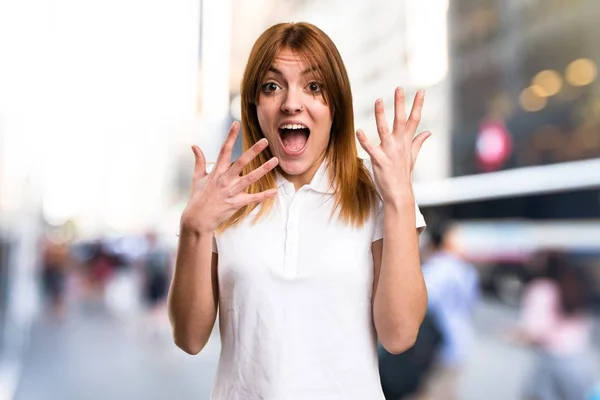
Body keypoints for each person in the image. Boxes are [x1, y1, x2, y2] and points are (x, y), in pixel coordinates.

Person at [168, 22, 431, 399]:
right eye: (272, 86)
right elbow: (190, 338)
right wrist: (194, 227)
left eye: (313, 86)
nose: (291, 102)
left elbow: (400, 335)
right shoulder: (222, 194)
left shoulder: (374, 189)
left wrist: (400, 199)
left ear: (335, 106)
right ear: (254, 106)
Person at [511, 250, 596, 400]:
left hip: (551, 362)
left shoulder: (541, 289)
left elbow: (534, 332)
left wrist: (512, 334)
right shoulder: (574, 285)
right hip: (578, 361)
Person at [415, 222, 479, 400]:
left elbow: (421, 303)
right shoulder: (465, 269)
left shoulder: (437, 268)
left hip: (439, 345)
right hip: (460, 340)